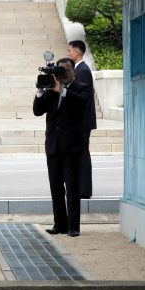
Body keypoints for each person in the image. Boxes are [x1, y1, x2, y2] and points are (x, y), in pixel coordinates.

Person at [33, 58, 89, 237]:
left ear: (74, 71)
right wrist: (40, 92)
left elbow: (82, 105)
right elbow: (37, 111)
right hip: (53, 146)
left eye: (64, 71)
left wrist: (62, 91)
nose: (61, 74)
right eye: (59, 71)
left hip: (72, 147)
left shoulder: (81, 87)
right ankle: (60, 224)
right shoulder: (52, 89)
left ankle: (73, 227)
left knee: (72, 188)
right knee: (56, 188)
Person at [66, 40, 96, 199]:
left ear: (77, 52)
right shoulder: (79, 69)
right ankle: (79, 188)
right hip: (80, 121)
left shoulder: (83, 70)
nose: (68, 53)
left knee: (83, 154)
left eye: (69, 50)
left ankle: (84, 190)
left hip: (82, 121)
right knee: (80, 154)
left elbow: (83, 97)